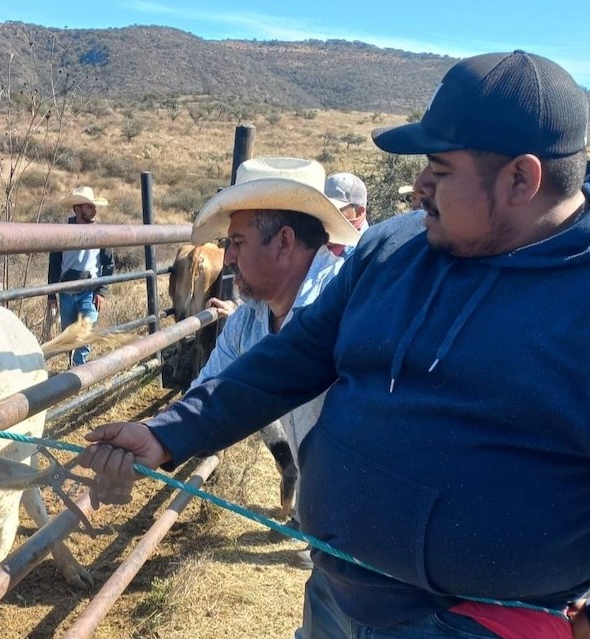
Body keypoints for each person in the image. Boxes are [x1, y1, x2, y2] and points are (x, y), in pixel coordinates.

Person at [76, 50, 590, 639]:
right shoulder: (393, 250)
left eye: (441, 170)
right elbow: (292, 358)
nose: (419, 187)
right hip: (338, 587)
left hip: (477, 621)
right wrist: (168, 431)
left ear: (521, 179)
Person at [188, 157, 360, 567]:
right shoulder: (249, 318)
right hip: (328, 537)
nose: (227, 257)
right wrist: (150, 439)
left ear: (283, 242)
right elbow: (206, 393)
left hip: (374, 538)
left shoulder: (350, 308)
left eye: (237, 242)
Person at [46, 186, 115, 366]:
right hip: (66, 290)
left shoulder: (101, 233)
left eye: (93, 206)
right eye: (89, 207)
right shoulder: (62, 233)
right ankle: (71, 364)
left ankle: (79, 366)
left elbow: (109, 263)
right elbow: (54, 264)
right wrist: (51, 294)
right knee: (69, 333)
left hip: (89, 291)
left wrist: (101, 291)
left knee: (85, 329)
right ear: (77, 209)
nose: (94, 210)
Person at [324, 172, 369, 258]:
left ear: (359, 212)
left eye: (335, 211)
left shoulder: (364, 255)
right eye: (323, 209)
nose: (327, 217)